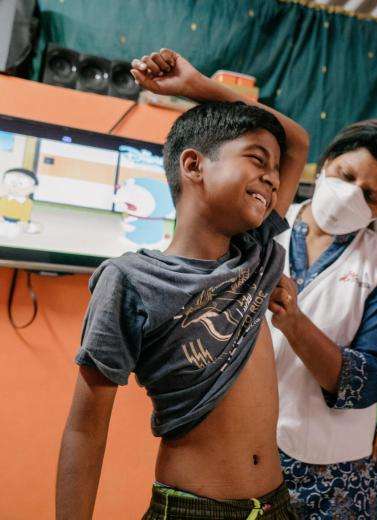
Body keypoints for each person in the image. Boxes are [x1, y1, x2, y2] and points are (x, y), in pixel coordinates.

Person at [55, 49, 309, 520]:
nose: (273, 178)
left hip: (277, 506)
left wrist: (198, 86)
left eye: (275, 169)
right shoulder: (130, 280)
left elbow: (295, 140)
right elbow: (84, 431)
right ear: (193, 166)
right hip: (192, 510)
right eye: (257, 160)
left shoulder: (256, 253)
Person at [267, 119, 377, 518]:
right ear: (324, 164)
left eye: (370, 196)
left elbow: (372, 380)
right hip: (246, 453)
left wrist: (296, 325)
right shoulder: (267, 233)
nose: (351, 196)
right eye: (346, 176)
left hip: (332, 475)